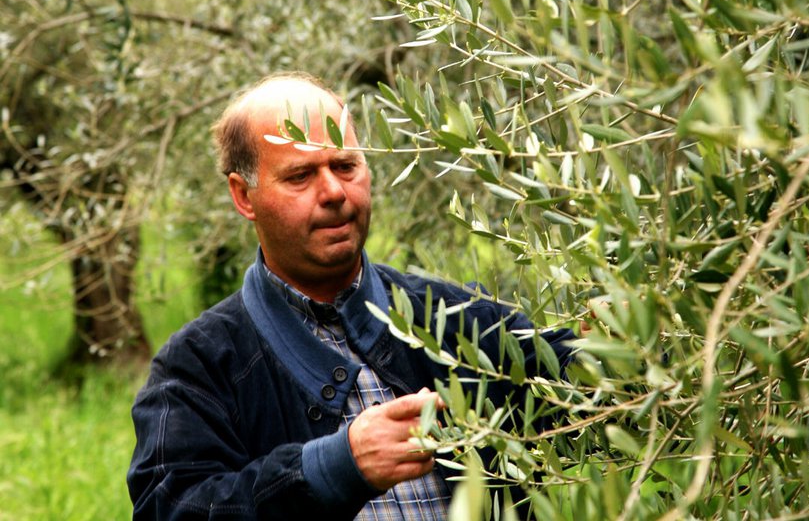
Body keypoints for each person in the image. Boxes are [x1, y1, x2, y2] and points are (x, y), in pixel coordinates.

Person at [127, 72, 575, 520]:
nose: (334, 192)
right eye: (300, 175)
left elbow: (581, 379)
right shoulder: (199, 366)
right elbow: (170, 508)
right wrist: (334, 467)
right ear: (244, 196)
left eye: (345, 166)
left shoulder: (456, 317)